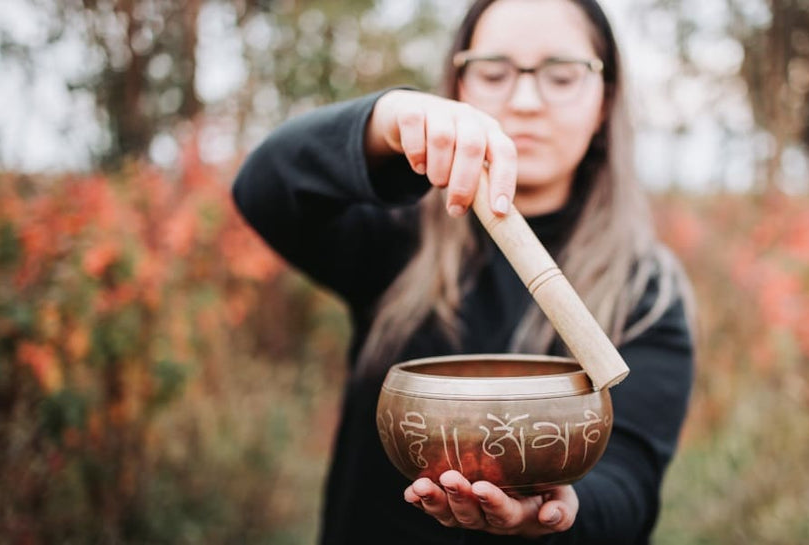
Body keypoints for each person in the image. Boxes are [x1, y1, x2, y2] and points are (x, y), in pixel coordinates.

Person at [231, 0, 695, 542]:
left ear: (605, 101)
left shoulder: (648, 292)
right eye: (493, 72)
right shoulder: (396, 237)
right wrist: (386, 121)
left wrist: (558, 512)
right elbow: (264, 188)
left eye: (563, 76)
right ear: (456, 88)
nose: (525, 101)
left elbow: (629, 488)